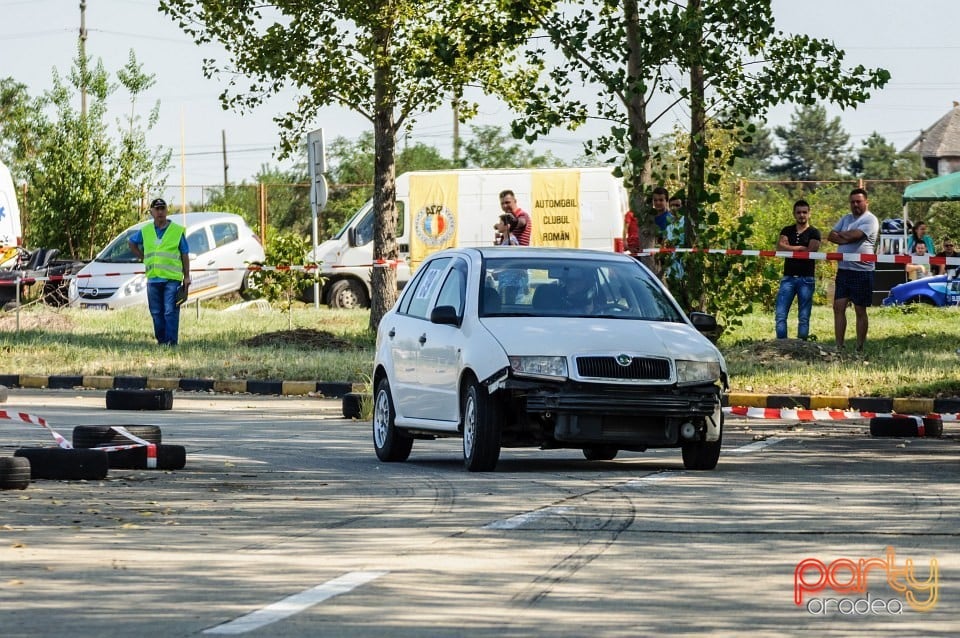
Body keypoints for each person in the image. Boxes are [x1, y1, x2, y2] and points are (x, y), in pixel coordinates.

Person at [128, 198, 191, 346]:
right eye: (157, 209)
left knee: (170, 311)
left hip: (172, 279)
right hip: (153, 278)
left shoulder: (176, 231)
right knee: (156, 313)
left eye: (162, 209)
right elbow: (131, 243)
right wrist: (143, 258)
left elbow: (185, 253)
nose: (160, 212)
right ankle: (162, 342)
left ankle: (171, 342)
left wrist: (187, 276)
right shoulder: (146, 231)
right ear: (151, 212)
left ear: (167, 211)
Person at [827, 188, 879, 353]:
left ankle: (859, 347)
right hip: (843, 270)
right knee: (838, 307)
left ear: (866, 202)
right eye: (852, 202)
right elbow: (830, 235)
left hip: (862, 272)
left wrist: (841, 236)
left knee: (860, 309)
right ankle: (839, 346)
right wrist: (843, 235)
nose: (855, 205)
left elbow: (853, 236)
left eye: (858, 201)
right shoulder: (846, 218)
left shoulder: (870, 220)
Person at [774, 199, 821, 340]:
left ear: (809, 214)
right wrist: (800, 248)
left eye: (804, 212)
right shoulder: (787, 230)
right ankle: (781, 345)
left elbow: (811, 250)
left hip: (806, 279)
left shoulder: (814, 232)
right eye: (799, 212)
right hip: (788, 277)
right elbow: (780, 247)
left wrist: (792, 249)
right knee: (780, 314)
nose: (802, 215)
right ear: (794, 214)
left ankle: (801, 346)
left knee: (804, 316)